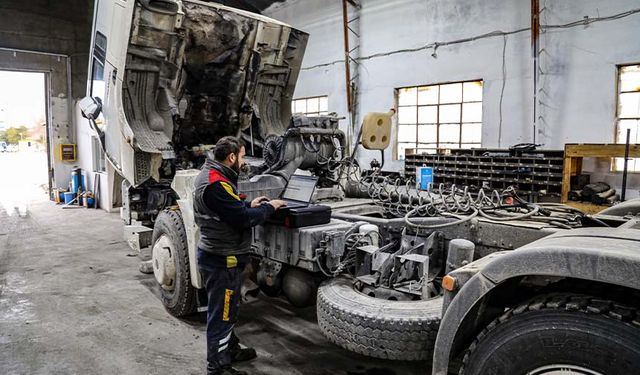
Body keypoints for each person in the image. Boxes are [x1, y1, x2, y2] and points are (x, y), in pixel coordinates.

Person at [193, 136, 286, 375]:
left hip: (220, 255)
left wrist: (250, 204)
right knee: (222, 314)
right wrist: (269, 207)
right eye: (242, 156)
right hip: (222, 259)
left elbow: (230, 210)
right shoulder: (215, 183)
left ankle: (230, 349)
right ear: (232, 157)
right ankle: (218, 367)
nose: (243, 161)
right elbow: (242, 219)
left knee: (227, 310)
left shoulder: (215, 175)